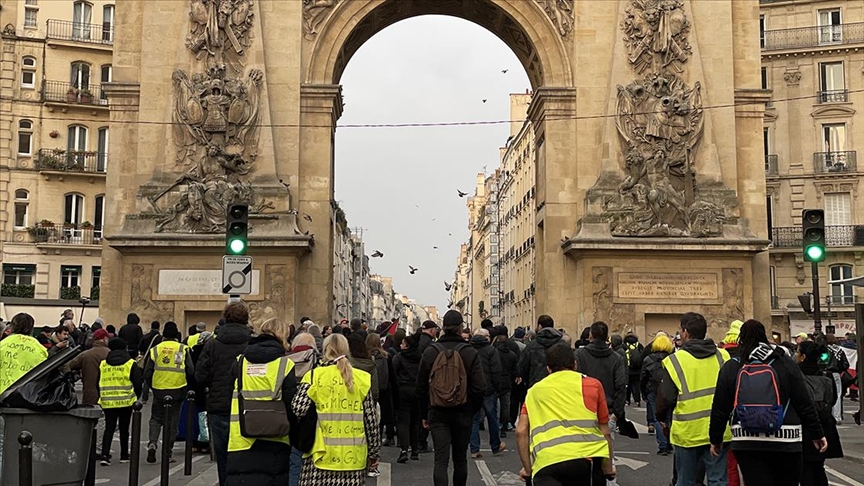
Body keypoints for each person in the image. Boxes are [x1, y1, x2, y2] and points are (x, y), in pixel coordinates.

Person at [709, 320, 826, 486]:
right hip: (786, 440)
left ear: (740, 339)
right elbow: (804, 402)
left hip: (746, 439)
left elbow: (720, 408)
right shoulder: (786, 363)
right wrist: (817, 434)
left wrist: (716, 438)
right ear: (764, 337)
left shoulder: (732, 367)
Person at [516, 343, 615, 486]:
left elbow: (521, 432)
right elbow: (605, 431)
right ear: (575, 364)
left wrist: (527, 469)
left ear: (548, 369)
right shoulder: (592, 385)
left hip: (547, 462)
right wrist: (607, 468)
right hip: (587, 461)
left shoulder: (534, 391)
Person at [292, 333, 380, 486]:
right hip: (353, 458)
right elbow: (371, 422)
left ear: (325, 350)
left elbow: (298, 408)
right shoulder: (361, 378)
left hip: (320, 454)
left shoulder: (314, 376)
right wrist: (374, 453)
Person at [657, 312, 730, 486]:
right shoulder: (723, 356)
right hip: (719, 429)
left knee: (686, 480)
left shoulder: (675, 360)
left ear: (686, 332)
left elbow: (666, 397)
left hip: (688, 432)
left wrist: (660, 418)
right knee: (718, 480)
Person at [224, 318, 297, 486]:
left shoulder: (239, 362)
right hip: (276, 439)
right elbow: (290, 405)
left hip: (241, 439)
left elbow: (229, 397)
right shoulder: (285, 365)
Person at [417, 310, 486, 486]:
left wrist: (425, 413)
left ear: (443, 327)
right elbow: (480, 387)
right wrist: (472, 409)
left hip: (437, 411)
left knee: (440, 460)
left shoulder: (431, 351)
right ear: (460, 327)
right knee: (460, 459)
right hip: (463, 411)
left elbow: (421, 386)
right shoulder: (469, 352)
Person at [194, 302, 252, 486]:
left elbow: (200, 375)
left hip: (220, 406)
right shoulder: (252, 343)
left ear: (225, 317)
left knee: (223, 457)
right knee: (246, 455)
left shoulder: (213, 344)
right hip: (247, 406)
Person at [144, 321, 195, 464]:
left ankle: (152, 443)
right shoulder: (183, 349)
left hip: (159, 389)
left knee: (155, 418)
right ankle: (168, 452)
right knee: (172, 422)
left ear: (164, 334)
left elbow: (147, 372)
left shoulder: (156, 349)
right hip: (178, 389)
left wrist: (152, 385)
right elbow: (190, 370)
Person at [796, 340, 844, 486]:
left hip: (804, 428)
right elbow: (834, 399)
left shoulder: (796, 377)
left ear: (803, 357)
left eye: (798, 352)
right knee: (818, 467)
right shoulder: (827, 376)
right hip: (824, 426)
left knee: (805, 470)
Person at [99, 337, 143, 466]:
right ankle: (124, 455)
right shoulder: (130, 363)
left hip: (108, 400)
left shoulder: (103, 363)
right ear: (125, 348)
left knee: (109, 428)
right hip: (126, 400)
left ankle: (104, 455)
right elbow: (137, 382)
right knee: (124, 428)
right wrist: (136, 396)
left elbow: (98, 381)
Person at [575, 321, 627, 428]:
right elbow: (621, 386)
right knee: (607, 442)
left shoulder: (579, 356)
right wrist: (616, 414)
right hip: (608, 411)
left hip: (582, 409)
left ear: (590, 336)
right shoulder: (617, 359)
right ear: (607, 337)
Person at [469, 328, 506, 458]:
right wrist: (497, 387)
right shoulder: (491, 350)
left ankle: (474, 449)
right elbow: (496, 370)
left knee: (474, 419)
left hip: (473, 388)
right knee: (492, 418)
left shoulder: (469, 349)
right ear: (485, 337)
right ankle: (495, 446)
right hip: (488, 388)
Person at [640, 333, 673, 455]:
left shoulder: (648, 359)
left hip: (653, 390)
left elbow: (643, 378)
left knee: (657, 418)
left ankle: (663, 445)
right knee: (669, 417)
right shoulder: (673, 358)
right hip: (669, 390)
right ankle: (669, 443)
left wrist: (643, 393)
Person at [0, 313, 47, 394]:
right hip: (28, 394)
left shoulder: (2, 344)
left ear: (12, 327)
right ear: (31, 328)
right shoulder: (39, 348)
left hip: (3, 393)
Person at [393, 333, 422, 463]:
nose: (400, 345)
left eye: (403, 343)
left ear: (407, 345)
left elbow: (393, 374)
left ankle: (404, 449)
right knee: (415, 421)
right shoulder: (420, 357)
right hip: (416, 390)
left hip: (403, 390)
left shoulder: (399, 357)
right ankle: (415, 450)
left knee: (403, 422)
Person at [517, 315, 562, 388]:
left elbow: (522, 367)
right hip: (558, 385)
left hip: (536, 385)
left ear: (540, 326)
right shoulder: (562, 344)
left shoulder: (531, 346)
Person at [367, 333, 395, 447]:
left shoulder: (366, 357)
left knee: (373, 413)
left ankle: (373, 436)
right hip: (385, 389)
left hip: (371, 388)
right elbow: (392, 375)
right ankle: (389, 435)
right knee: (385, 413)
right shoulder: (386, 356)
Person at [69, 328, 111, 406]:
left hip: (89, 394)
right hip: (107, 394)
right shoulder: (110, 354)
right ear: (104, 339)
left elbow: (69, 366)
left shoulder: (85, 355)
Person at [495, 329, 518, 436]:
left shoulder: (494, 353)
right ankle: (503, 427)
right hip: (507, 382)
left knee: (494, 406)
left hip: (496, 382)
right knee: (505, 406)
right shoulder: (512, 355)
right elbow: (515, 370)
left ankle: (495, 426)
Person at [620, 333, 644, 407]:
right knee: (637, 386)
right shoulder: (639, 345)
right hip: (637, 370)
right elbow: (643, 355)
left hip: (628, 369)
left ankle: (627, 400)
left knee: (628, 386)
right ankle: (637, 400)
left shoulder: (624, 345)